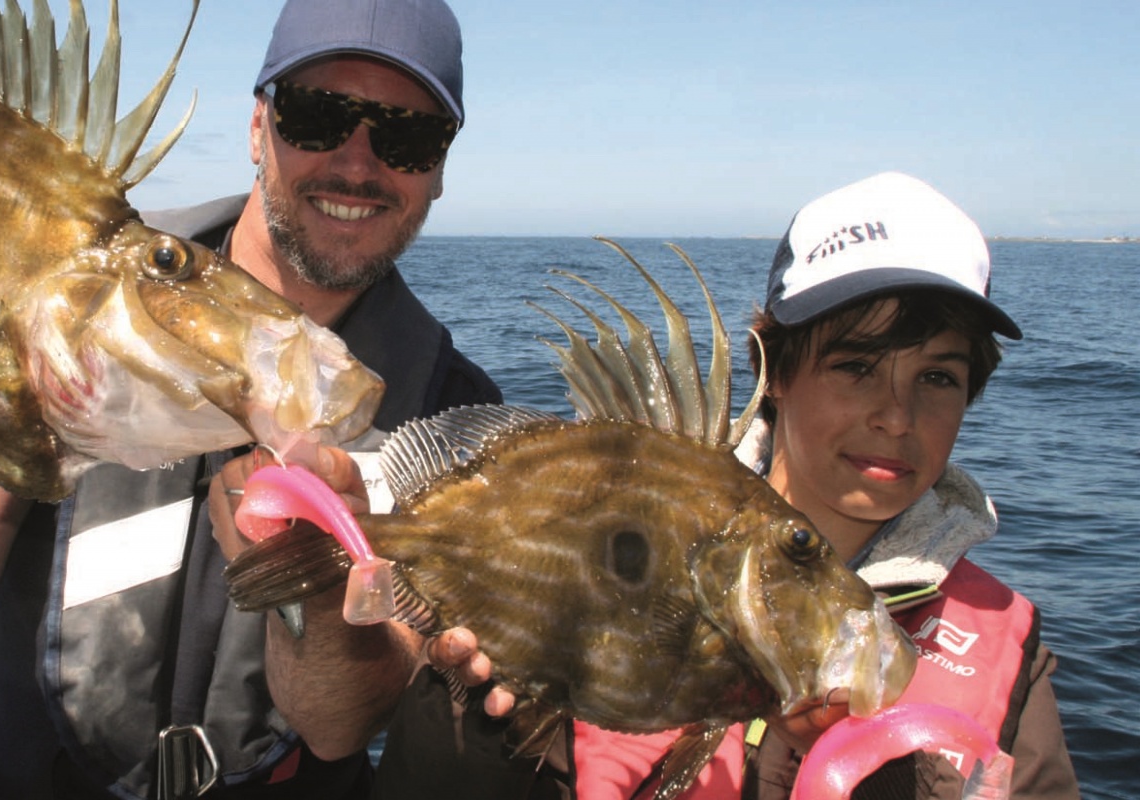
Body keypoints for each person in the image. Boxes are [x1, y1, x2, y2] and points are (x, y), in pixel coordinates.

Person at [0, 1, 500, 798]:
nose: (357, 166)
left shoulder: (456, 418)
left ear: (439, 167)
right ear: (261, 127)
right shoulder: (80, 295)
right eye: (319, 115)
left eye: (407, 136)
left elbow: (338, 725)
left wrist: (313, 588)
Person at [380, 172, 1081, 799]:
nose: (896, 418)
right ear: (772, 370)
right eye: (856, 366)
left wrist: (889, 784)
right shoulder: (610, 509)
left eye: (937, 377)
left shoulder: (1009, 654)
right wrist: (466, 725)